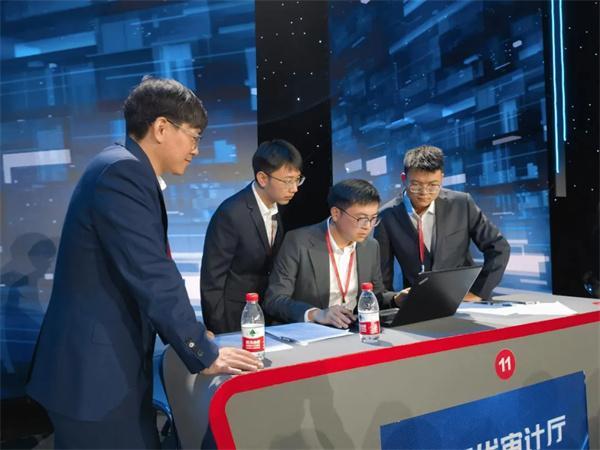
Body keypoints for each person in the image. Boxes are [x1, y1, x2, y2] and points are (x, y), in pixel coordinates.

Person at [27, 77, 261, 449]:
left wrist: (194, 333)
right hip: (94, 379)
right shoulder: (123, 173)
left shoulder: (119, 166)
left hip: (102, 372)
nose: (196, 150)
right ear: (162, 128)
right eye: (194, 136)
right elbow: (151, 272)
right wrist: (201, 351)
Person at [374, 145, 510, 301]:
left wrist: (478, 292)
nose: (424, 192)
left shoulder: (461, 203)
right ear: (404, 179)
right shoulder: (386, 216)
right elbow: (382, 277)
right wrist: (393, 300)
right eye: (416, 185)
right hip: (418, 302)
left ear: (441, 179)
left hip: (464, 299)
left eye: (433, 185)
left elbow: (499, 247)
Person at [264, 179, 403, 327]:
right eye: (361, 218)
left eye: (373, 218)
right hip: (311, 331)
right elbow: (274, 300)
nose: (368, 226)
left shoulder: (370, 246)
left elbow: (376, 295)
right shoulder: (299, 241)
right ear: (336, 213)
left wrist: (397, 299)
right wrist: (316, 314)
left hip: (352, 328)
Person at [201, 140, 303, 334]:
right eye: (288, 181)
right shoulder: (231, 213)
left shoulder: (280, 206)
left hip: (269, 314)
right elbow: (212, 280)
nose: (294, 188)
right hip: (234, 318)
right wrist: (221, 332)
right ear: (262, 178)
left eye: (297, 179)